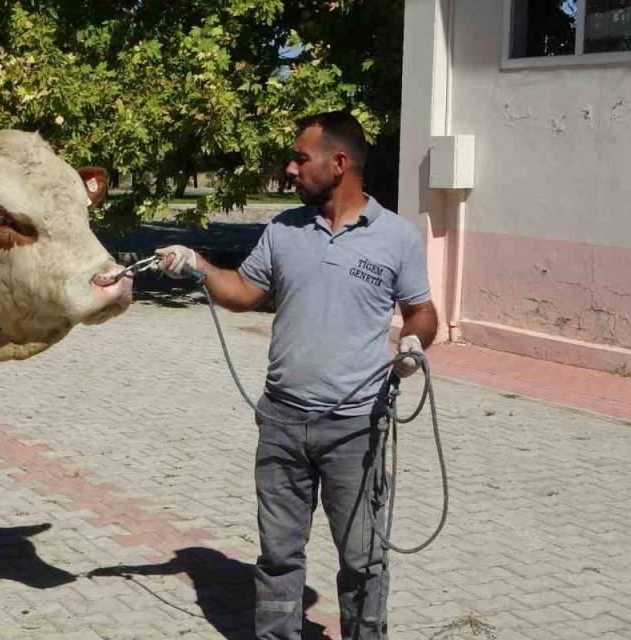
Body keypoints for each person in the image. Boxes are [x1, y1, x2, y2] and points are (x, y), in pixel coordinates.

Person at [156, 111, 438, 640]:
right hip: (282, 421)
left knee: (363, 559)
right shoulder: (284, 229)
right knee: (278, 555)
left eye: (299, 158)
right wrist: (196, 263)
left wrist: (413, 343)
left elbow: (422, 310)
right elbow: (243, 292)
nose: (289, 168)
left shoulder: (396, 236)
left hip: (356, 428)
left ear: (339, 163)